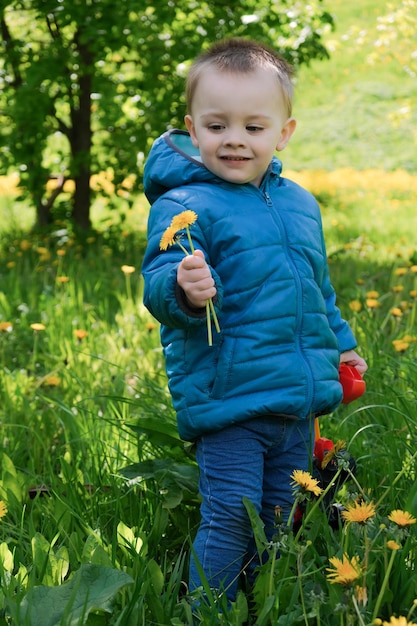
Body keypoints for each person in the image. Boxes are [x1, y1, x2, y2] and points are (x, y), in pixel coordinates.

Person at [141, 38, 367, 603]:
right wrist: (183, 289)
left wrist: (341, 346)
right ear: (194, 129)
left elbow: (315, 287)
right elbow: (161, 279)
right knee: (231, 515)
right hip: (231, 400)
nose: (235, 139)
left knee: (277, 515)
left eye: (253, 127)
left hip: (296, 401)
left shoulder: (300, 204)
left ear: (283, 132)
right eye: (218, 126)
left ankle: (259, 600)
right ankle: (208, 611)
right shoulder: (184, 203)